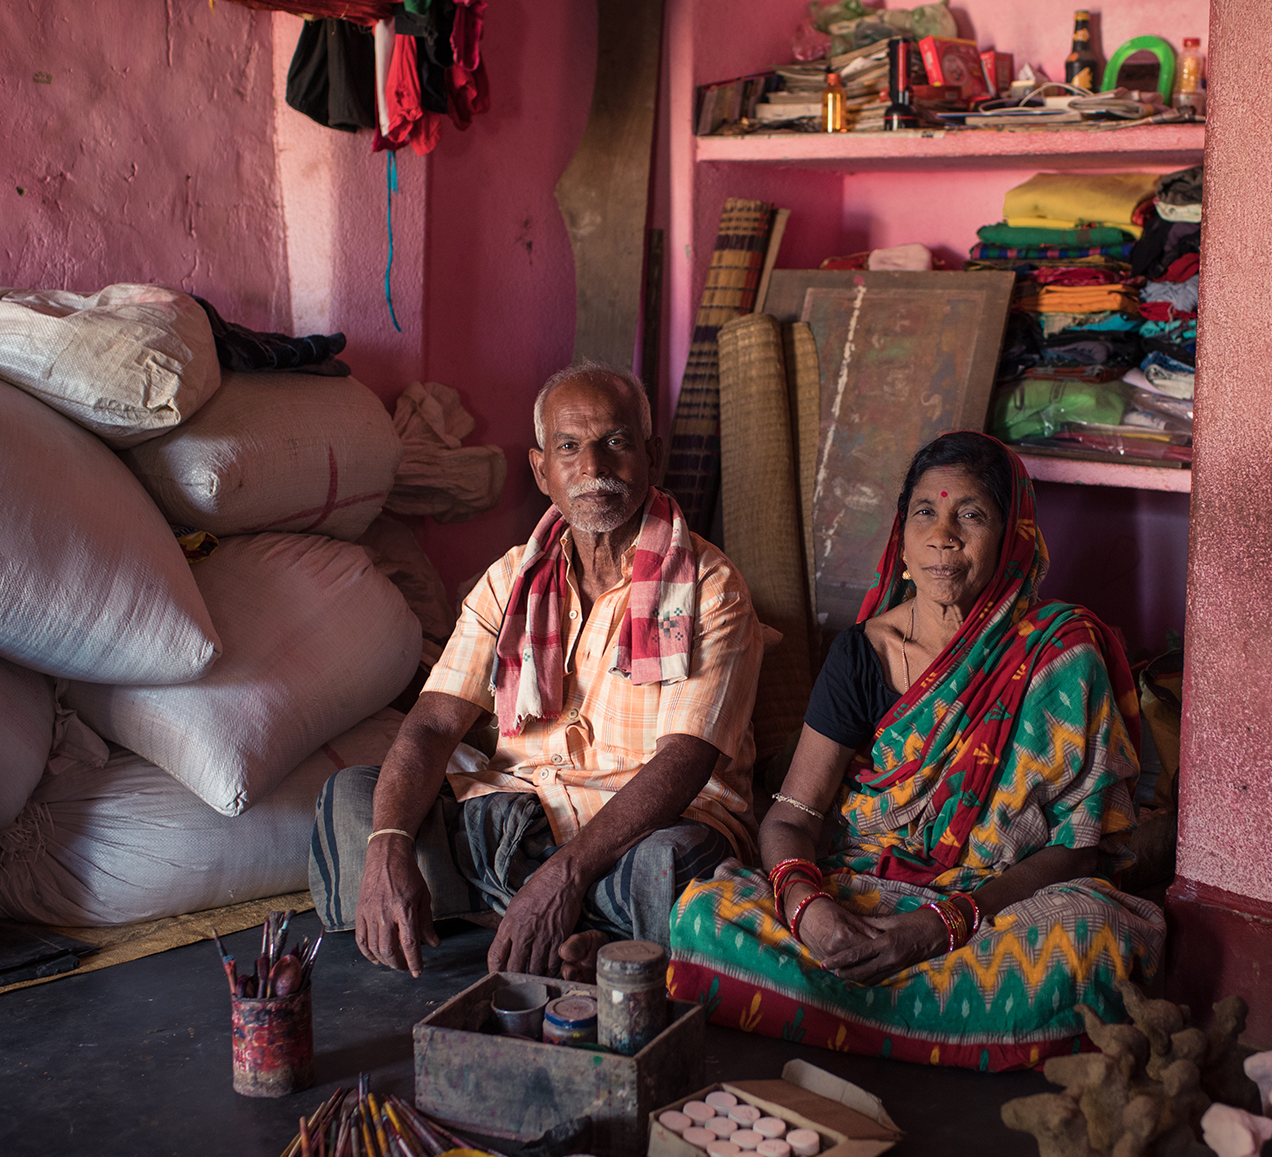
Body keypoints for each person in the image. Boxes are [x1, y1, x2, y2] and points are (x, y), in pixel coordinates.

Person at [666, 431, 1163, 1071]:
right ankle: (953, 1025)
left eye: (972, 515)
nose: (943, 535)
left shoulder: (1060, 657)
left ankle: (832, 1008)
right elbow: (793, 815)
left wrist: (946, 922)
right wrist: (808, 908)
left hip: (993, 909)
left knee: (1093, 943)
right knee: (703, 914)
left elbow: (1080, 847)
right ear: (901, 535)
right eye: (925, 512)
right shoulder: (863, 654)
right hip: (864, 890)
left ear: (1014, 537)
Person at [312, 362, 766, 981]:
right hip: (520, 812)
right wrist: (387, 844)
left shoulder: (710, 587)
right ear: (541, 470)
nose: (595, 469)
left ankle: (519, 911)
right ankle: (581, 936)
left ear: (651, 455)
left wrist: (567, 872)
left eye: (617, 442)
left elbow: (685, 762)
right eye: (570, 448)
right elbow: (432, 724)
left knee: (675, 866)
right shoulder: (509, 581)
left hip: (639, 832)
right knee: (357, 801)